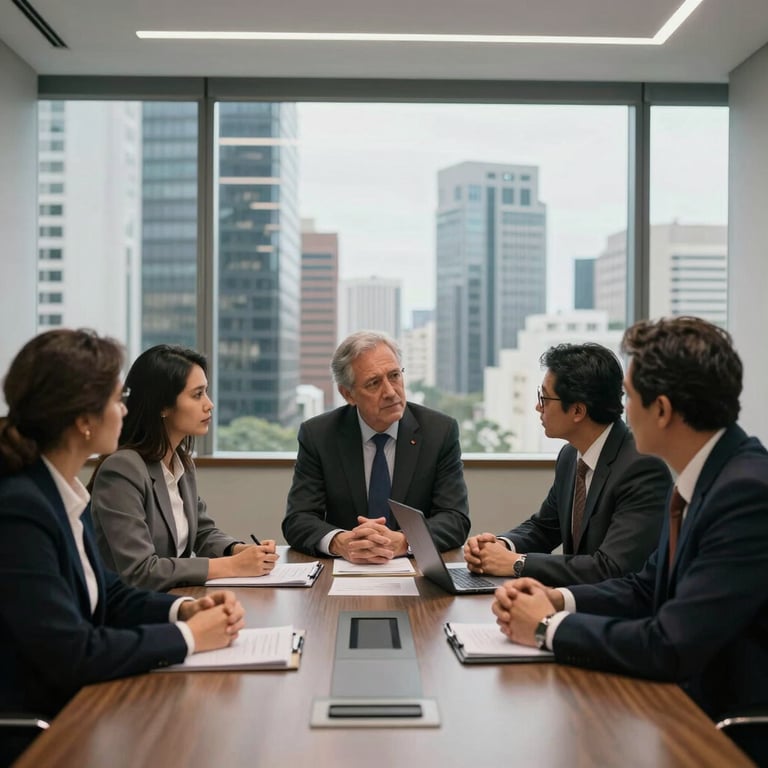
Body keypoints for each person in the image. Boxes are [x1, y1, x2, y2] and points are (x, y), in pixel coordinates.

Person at [492, 317, 768, 763]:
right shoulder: (712, 479)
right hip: (678, 703)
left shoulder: (745, 492)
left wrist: (546, 628)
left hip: (719, 730)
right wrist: (556, 598)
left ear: (660, 410)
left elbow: (670, 644)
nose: (621, 410)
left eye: (630, 397)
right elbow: (645, 586)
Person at [0, 329, 245, 765]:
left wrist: (180, 610)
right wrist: (187, 637)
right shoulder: (22, 510)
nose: (127, 410)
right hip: (50, 730)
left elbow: (107, 591)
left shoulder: (57, 493)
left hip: (86, 703)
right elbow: (74, 652)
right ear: (83, 419)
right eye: (117, 400)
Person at [464, 343, 671, 585]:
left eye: (545, 398)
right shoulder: (570, 456)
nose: (538, 407)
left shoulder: (642, 468)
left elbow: (611, 568)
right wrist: (499, 546)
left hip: (616, 615)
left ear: (577, 411)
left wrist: (516, 562)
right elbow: (544, 527)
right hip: (576, 603)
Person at [90, 345, 278, 591]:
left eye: (206, 392)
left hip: (175, 598)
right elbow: (140, 571)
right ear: (163, 406)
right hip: (131, 612)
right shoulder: (122, 470)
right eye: (197, 394)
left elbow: (201, 532)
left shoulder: (181, 463)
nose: (209, 404)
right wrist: (232, 566)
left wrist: (237, 549)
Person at [282, 331, 470, 563]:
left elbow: (454, 518)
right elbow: (298, 519)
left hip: (417, 571)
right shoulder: (319, 435)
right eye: (374, 383)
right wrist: (340, 542)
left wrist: (405, 541)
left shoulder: (439, 431)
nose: (390, 392)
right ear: (348, 394)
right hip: (344, 572)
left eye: (394, 376)